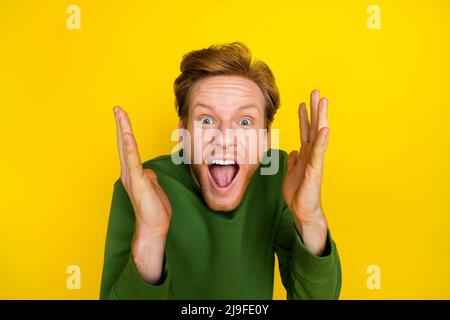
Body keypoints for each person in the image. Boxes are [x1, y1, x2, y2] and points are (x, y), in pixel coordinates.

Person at [100, 42, 341, 299]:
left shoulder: (280, 178)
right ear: (183, 134)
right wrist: (150, 236)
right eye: (206, 120)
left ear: (266, 139)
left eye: (245, 121)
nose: (224, 138)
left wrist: (310, 217)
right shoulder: (142, 186)